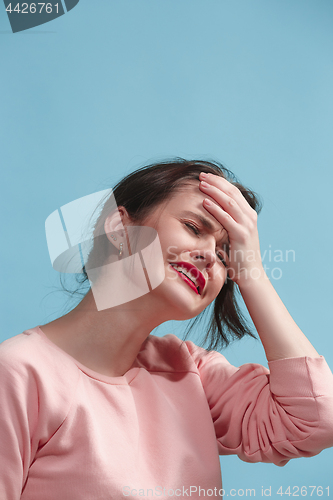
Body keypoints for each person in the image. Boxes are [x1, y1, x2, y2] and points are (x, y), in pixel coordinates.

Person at [1, 159, 333, 500]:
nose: (209, 257)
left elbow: (315, 419)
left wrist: (253, 271)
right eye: (193, 227)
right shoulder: (18, 374)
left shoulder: (192, 376)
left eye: (225, 254)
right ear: (119, 228)